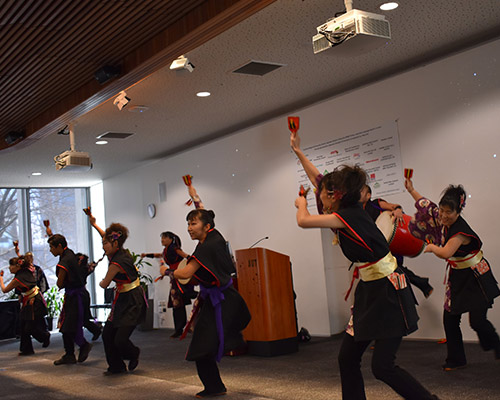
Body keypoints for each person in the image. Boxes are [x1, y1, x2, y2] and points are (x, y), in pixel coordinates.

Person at [294, 164, 438, 400]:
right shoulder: (349, 211)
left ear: (333, 195)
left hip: (388, 293)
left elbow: (303, 221)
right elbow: (319, 181)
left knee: (382, 367)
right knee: (347, 358)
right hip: (370, 292)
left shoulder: (347, 215)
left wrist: (301, 204)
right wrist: (298, 152)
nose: (319, 198)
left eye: (321, 194)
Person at [158, 183, 250, 398]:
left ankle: (215, 387)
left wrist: (167, 270)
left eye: (193, 223)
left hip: (221, 301)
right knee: (205, 343)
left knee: (200, 347)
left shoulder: (206, 247)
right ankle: (216, 382)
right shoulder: (213, 235)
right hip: (224, 299)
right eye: (188, 223)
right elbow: (205, 213)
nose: (189, 228)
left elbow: (186, 272)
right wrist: (195, 197)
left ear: (206, 226)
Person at [405, 178, 500, 370]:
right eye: (442, 210)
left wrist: (430, 247)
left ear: (458, 212)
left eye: (449, 212)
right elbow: (425, 205)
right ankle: (456, 359)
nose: (443, 215)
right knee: (450, 319)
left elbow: (446, 252)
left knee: (478, 321)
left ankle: (498, 347)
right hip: (458, 276)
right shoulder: (440, 216)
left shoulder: (460, 232)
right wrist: (411, 189)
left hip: (476, 277)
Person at [87, 215, 147, 375]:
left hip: (132, 302)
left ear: (115, 243)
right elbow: (105, 237)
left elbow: (104, 284)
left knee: (120, 339)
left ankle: (134, 353)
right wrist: (95, 225)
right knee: (107, 335)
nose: (103, 247)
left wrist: (96, 276)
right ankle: (116, 366)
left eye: (105, 244)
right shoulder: (118, 250)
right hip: (122, 298)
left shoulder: (117, 263)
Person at [360, 185, 434, 298]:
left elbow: (395, 207)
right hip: (378, 247)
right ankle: (420, 286)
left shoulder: (376, 203)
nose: (358, 193)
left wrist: (398, 210)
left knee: (396, 271)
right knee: (394, 274)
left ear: (368, 195)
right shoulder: (360, 212)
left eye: (361, 191)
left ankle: (419, 287)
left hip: (392, 243)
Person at [47, 230, 93, 365]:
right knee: (68, 326)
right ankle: (70, 354)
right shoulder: (69, 253)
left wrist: (59, 283)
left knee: (67, 326)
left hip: (75, 296)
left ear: (59, 246)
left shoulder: (65, 260)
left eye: (52, 247)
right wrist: (49, 232)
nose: (50, 250)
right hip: (80, 294)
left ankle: (79, 347)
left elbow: (60, 283)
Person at [142, 231, 196, 338]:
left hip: (178, 275)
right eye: (162, 238)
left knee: (178, 302)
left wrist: (193, 262)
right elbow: (159, 255)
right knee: (177, 303)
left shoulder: (174, 248)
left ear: (170, 239)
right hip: (173, 276)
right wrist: (146, 255)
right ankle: (180, 328)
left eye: (164, 238)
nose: (162, 240)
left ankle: (180, 328)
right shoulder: (167, 250)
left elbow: (184, 255)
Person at [0, 256, 50, 355]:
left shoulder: (19, 278)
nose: (9, 268)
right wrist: (17, 250)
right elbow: (23, 260)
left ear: (17, 266)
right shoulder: (28, 270)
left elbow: (5, 290)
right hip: (30, 300)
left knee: (29, 328)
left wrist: (1, 278)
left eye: (11, 265)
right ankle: (27, 349)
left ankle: (44, 336)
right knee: (23, 326)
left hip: (34, 302)